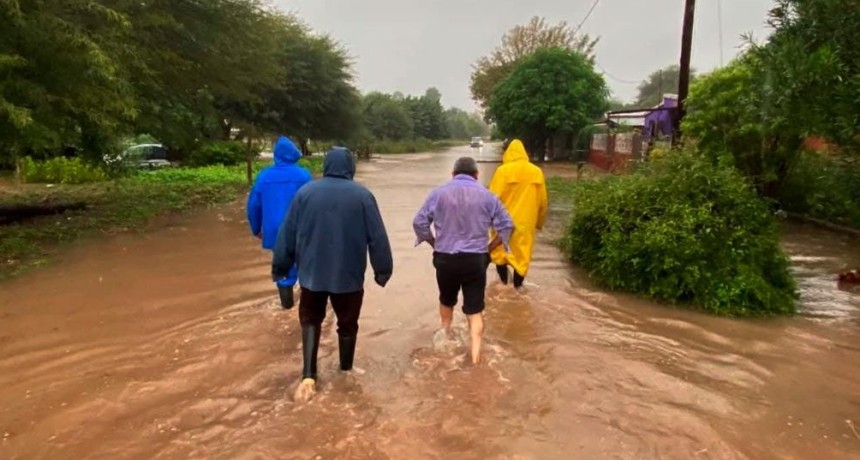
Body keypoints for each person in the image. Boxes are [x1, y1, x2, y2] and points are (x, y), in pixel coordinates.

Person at [272, 147, 393, 401]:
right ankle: (346, 371)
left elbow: (287, 233)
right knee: (347, 325)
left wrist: (280, 266)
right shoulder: (363, 196)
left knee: (310, 320)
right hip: (348, 277)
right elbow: (377, 238)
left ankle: (308, 375)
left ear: (327, 165)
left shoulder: (304, 194)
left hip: (312, 275)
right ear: (351, 167)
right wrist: (382, 270)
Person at [413, 157, 514, 365]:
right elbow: (507, 226)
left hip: (445, 259)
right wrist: (489, 249)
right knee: (474, 310)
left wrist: (434, 243)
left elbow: (419, 223)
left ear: (452, 174)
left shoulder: (438, 194)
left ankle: (444, 343)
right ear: (476, 175)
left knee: (446, 301)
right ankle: (476, 357)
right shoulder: (488, 196)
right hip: (475, 260)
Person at [247, 136, 312, 308]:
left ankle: (287, 308)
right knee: (306, 266)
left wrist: (256, 229)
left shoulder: (264, 176)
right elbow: (311, 204)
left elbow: (254, 205)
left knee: (283, 269)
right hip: (300, 229)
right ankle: (306, 313)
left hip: (275, 231)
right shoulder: (304, 175)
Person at [488, 139, 548, 289]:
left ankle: (504, 286)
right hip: (525, 225)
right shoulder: (536, 172)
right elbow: (543, 202)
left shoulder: (502, 171)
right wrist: (538, 223)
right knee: (521, 259)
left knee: (500, 256)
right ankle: (517, 288)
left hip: (502, 225)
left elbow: (492, 199)